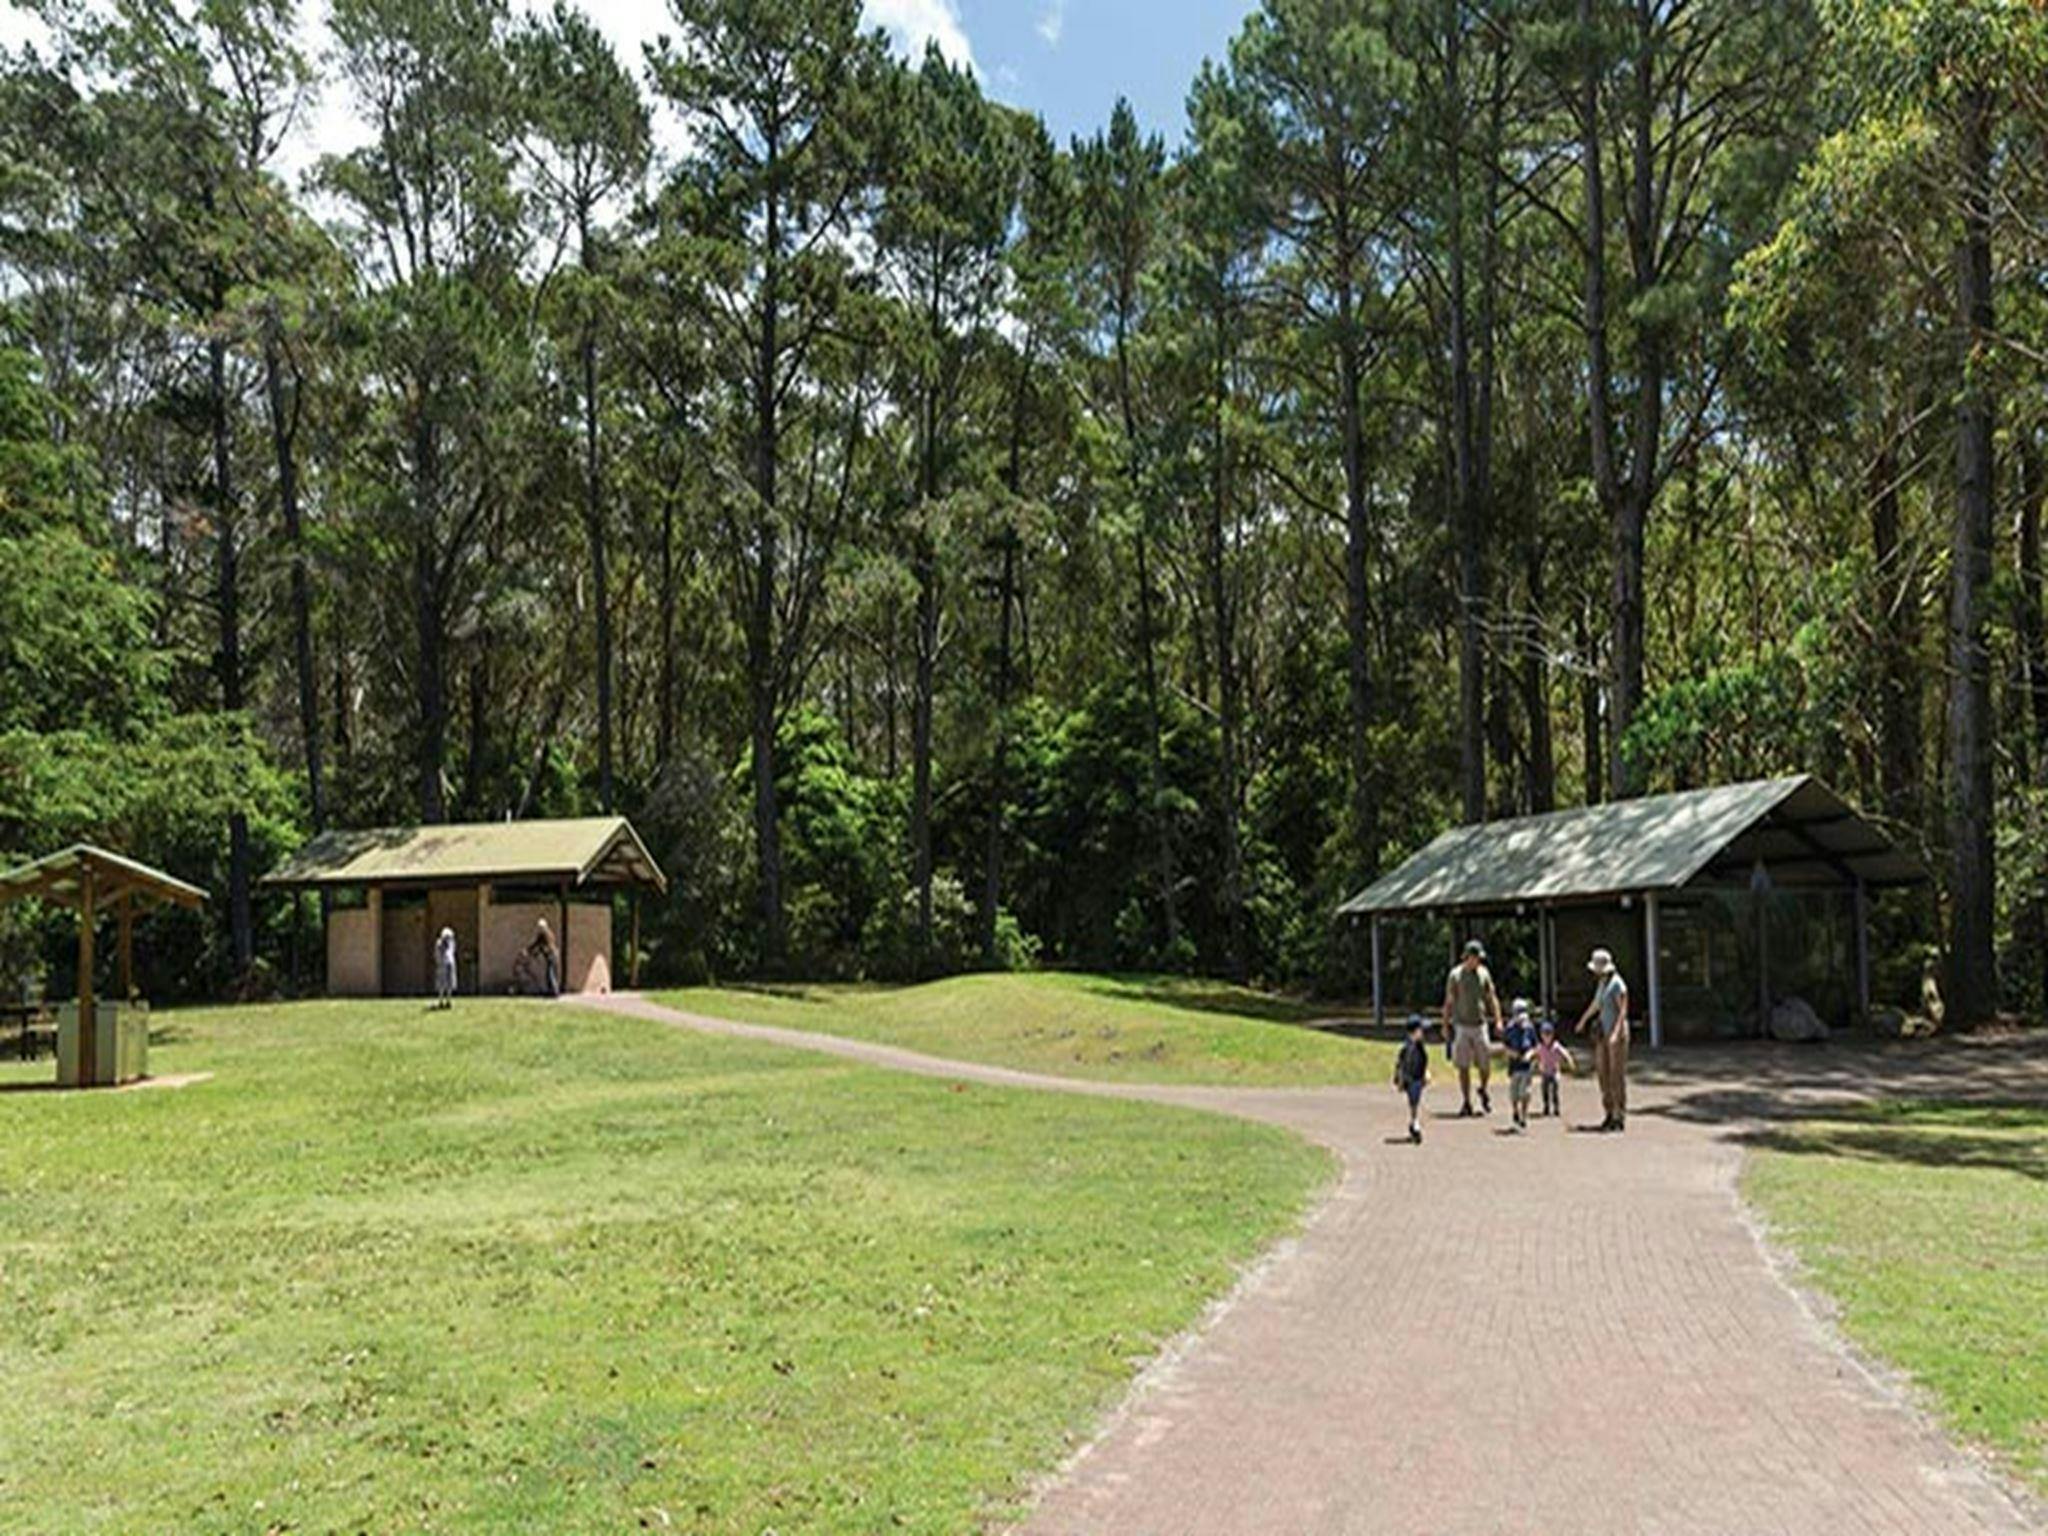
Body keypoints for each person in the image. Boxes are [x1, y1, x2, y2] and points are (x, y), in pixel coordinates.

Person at [1440, 939, 1502, 1116]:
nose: (1478, 962)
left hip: (1480, 1023)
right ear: (1468, 957)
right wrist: (1445, 1024)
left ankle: (1483, 1088)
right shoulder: (1456, 976)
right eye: (1476, 958)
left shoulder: (1483, 974)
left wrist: (1498, 1020)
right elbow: (1449, 1002)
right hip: (1462, 1025)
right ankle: (1466, 1101)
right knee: (1463, 1065)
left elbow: (1491, 997)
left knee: (1485, 1063)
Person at [1575, 947, 1630, 1132]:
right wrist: (1583, 1020)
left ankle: (1618, 1114)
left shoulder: (1617, 984)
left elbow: (1622, 1010)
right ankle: (1608, 1111)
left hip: (1616, 1034)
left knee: (1616, 1074)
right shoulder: (1602, 983)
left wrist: (1616, 1032)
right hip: (1602, 1034)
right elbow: (1596, 1004)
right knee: (1603, 1073)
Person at [1501, 997, 1538, 1130]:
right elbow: (1505, 1047)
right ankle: (1515, 1111)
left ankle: (1524, 1115)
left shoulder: (1530, 1028)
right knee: (1514, 1093)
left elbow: (1535, 1046)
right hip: (1514, 1067)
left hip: (1526, 1067)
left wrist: (1530, 1054)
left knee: (1525, 1092)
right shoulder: (1510, 1029)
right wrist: (1512, 1053)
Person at [1393, 1014, 1431, 1144]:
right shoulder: (1407, 1048)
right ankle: (1415, 1124)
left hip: (1418, 1078)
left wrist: (1425, 1072)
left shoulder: (1420, 1046)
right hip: (1411, 1079)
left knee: (1415, 1102)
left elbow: (1424, 1061)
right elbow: (1400, 1064)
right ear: (1414, 1032)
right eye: (1421, 1030)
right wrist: (1399, 1078)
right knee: (1413, 1101)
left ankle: (1414, 1122)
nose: (1424, 1034)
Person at [1534, 1019, 1575, 1118]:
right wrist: (1531, 1060)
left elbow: (1564, 1052)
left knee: (1554, 1090)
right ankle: (1546, 1106)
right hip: (1545, 1072)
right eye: (1544, 1034)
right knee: (1545, 1090)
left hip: (1554, 1071)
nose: (1547, 1037)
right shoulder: (1541, 1047)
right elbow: (1535, 1053)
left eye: (1549, 1034)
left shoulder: (1556, 1046)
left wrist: (1570, 1061)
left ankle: (1556, 1107)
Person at [528, 918, 560, 998]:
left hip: (551, 955)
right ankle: (552, 991)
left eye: (540, 927)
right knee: (551, 973)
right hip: (554, 954)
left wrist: (529, 950)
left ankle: (554, 992)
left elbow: (537, 944)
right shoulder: (550, 933)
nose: (539, 929)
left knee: (550, 974)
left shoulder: (543, 934)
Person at [433, 925, 458, 1010]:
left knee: (450, 983)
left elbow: (452, 952)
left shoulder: (451, 943)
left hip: (450, 963)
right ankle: (441, 1001)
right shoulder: (439, 943)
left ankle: (448, 1001)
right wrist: (439, 962)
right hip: (442, 964)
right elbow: (437, 954)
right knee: (441, 983)